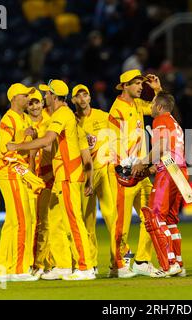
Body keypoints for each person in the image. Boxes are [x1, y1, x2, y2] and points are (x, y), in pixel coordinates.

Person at [7, 79, 96, 281]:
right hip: (62, 176)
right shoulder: (69, 117)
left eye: (47, 94)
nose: (45, 97)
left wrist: (18, 146)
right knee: (56, 221)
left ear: (54, 96)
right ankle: (63, 265)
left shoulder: (61, 114)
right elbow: (80, 150)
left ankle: (85, 267)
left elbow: (48, 141)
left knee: (73, 221)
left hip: (68, 175)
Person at [107, 69, 162, 277]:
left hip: (141, 172)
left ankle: (142, 260)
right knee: (122, 222)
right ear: (124, 86)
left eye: (141, 83)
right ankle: (118, 265)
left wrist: (157, 90)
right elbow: (113, 143)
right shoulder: (117, 110)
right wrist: (123, 168)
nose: (141, 86)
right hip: (125, 172)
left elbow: (159, 110)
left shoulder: (137, 104)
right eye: (136, 83)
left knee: (152, 215)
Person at [0, 83, 45, 282]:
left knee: (13, 223)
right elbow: (6, 149)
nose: (28, 99)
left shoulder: (23, 118)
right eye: (26, 96)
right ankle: (19, 269)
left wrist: (30, 137)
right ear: (15, 98)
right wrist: (27, 141)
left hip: (18, 172)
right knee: (23, 220)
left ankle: (2, 267)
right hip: (11, 171)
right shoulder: (8, 119)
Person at [132, 91, 187, 277]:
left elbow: (162, 147)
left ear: (160, 107)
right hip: (180, 170)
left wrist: (144, 161)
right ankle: (179, 263)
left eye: (153, 103)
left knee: (155, 217)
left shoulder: (160, 119)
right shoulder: (174, 122)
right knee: (170, 220)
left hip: (169, 170)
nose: (151, 106)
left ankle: (170, 263)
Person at [72, 83, 122, 276]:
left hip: (105, 169)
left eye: (85, 95)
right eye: (79, 96)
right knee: (87, 221)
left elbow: (118, 140)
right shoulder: (73, 121)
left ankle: (117, 262)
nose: (83, 99)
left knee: (112, 218)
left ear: (90, 98)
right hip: (85, 174)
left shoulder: (103, 116)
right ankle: (90, 263)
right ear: (73, 100)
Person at [25, 89, 55, 277]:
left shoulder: (50, 122)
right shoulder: (22, 123)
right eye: (31, 103)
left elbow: (50, 146)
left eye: (37, 102)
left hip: (47, 176)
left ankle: (43, 264)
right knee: (32, 222)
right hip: (29, 177)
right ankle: (35, 263)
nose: (35, 106)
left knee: (45, 221)